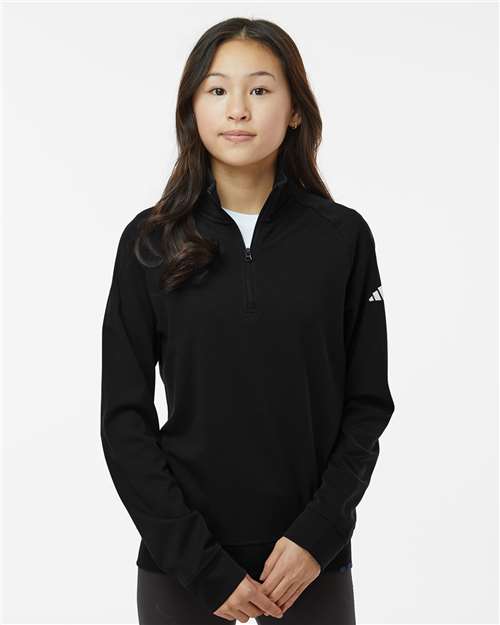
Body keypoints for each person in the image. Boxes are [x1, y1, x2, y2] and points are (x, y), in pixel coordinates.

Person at [100, 16, 395, 625]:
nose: (238, 109)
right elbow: (124, 421)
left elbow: (367, 406)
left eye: (259, 89)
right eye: (217, 90)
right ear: (192, 108)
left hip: (308, 563)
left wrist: (318, 535)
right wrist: (199, 563)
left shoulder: (342, 238)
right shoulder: (149, 243)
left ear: (295, 109)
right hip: (183, 564)